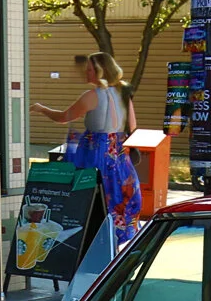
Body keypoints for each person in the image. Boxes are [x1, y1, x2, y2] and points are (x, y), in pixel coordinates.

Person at [32, 50, 142, 248]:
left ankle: (95, 249)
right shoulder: (123, 93)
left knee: (91, 201)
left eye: (90, 69)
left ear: (101, 71)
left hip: (95, 155)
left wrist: (41, 109)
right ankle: (114, 250)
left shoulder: (92, 96)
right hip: (119, 155)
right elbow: (132, 126)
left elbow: (63, 117)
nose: (86, 72)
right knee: (117, 202)